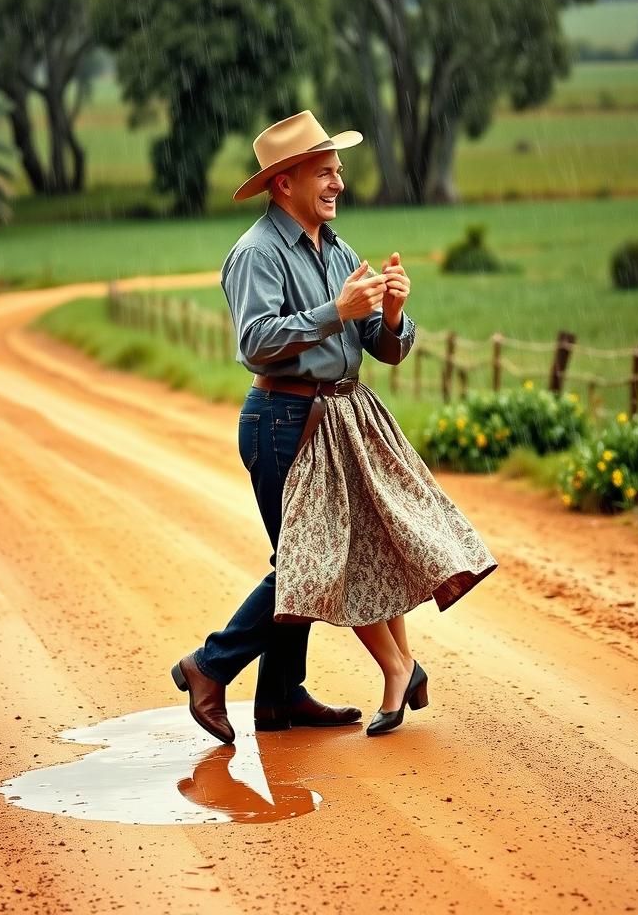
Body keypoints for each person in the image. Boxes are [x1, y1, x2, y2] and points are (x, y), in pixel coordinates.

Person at [172, 110, 496, 740]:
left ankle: (279, 697)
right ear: (283, 183)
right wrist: (334, 309)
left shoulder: (337, 247)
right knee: (307, 563)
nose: (338, 184)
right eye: (324, 172)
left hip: (339, 415)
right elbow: (256, 343)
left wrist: (394, 314)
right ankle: (209, 667)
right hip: (282, 420)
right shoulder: (256, 254)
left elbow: (382, 344)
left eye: (337, 171)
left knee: (305, 559)